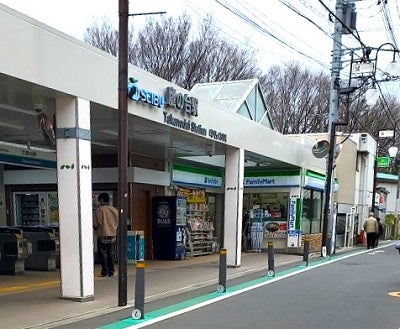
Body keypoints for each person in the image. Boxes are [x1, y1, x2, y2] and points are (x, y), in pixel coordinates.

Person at [93, 192, 119, 277]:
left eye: (99, 200)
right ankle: (111, 271)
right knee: (111, 253)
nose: (99, 202)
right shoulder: (114, 210)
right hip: (113, 234)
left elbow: (96, 224)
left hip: (103, 234)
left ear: (102, 200)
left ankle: (105, 272)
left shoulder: (100, 210)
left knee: (103, 253)